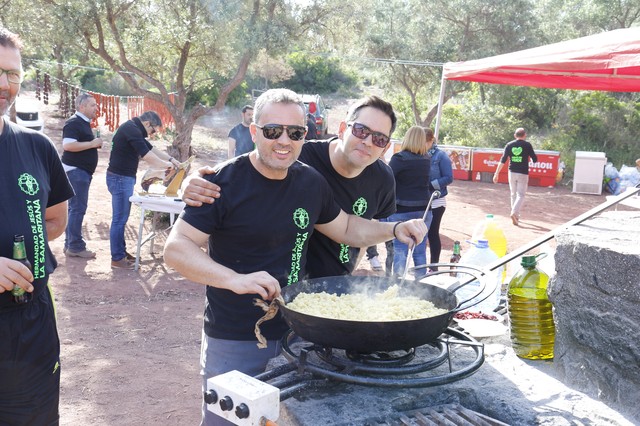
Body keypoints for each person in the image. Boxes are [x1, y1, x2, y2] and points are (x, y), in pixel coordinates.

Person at [163, 88, 426, 426]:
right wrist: (235, 279)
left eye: (295, 132)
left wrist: (394, 229)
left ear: (306, 135)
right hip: (234, 334)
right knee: (226, 422)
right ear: (254, 131)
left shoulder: (310, 181)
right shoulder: (224, 181)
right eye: (273, 131)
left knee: (286, 419)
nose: (283, 140)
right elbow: (177, 246)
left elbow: (346, 228)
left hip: (296, 332)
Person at [182, 95, 398, 279]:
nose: (368, 141)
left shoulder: (377, 180)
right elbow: (247, 169)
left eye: (379, 139)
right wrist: (190, 181)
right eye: (361, 131)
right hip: (252, 303)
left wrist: (396, 229)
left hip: (322, 294)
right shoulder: (297, 157)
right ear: (343, 129)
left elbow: (351, 229)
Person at [0, 26, 74, 425]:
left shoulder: (37, 147)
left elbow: (54, 220)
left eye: (12, 73)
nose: (4, 84)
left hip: (33, 326)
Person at [106, 111, 180, 269]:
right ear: (147, 124)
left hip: (123, 178)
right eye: (153, 130)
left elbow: (152, 149)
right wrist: (167, 166)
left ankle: (121, 252)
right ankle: (117, 258)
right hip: (120, 178)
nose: (152, 134)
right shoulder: (131, 129)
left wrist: (172, 160)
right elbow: (148, 156)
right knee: (119, 220)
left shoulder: (133, 129)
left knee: (121, 219)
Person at [61, 92, 103, 259]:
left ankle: (69, 244)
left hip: (79, 172)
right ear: (82, 106)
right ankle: (76, 246)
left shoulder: (83, 123)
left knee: (74, 209)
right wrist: (92, 144)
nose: (96, 108)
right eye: (92, 105)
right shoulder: (74, 123)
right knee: (77, 209)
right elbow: (68, 145)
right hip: (76, 172)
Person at [387, 126, 432, 278]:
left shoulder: (399, 159)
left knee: (400, 248)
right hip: (424, 209)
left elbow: (387, 180)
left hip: (401, 209)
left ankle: (398, 284)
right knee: (419, 249)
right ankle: (422, 284)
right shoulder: (426, 159)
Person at [493, 127, 538, 226]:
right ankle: (514, 212)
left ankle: (516, 216)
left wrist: (496, 173)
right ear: (524, 135)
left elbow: (503, 160)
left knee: (513, 194)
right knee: (521, 195)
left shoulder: (509, 145)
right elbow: (535, 159)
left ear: (515, 136)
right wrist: (529, 157)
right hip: (523, 173)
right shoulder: (527, 145)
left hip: (511, 172)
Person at [424, 127, 453, 271]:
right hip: (421, 201)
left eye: (424, 142)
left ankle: (434, 266)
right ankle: (421, 266)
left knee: (432, 233)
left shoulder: (441, 156)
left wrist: (431, 185)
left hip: (437, 200)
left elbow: (449, 177)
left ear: (431, 140)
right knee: (421, 233)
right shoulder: (417, 154)